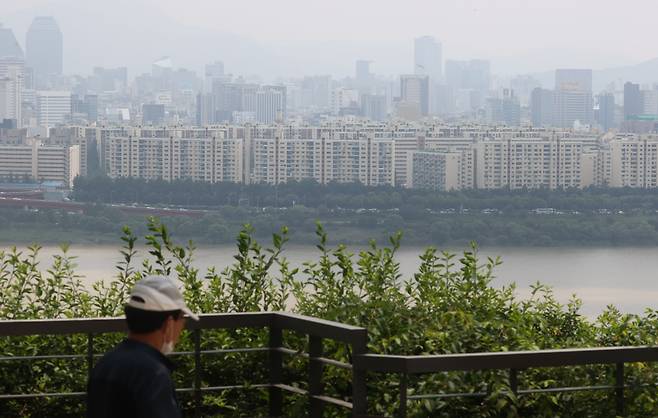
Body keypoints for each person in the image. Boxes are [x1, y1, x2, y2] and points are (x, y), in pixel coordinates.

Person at [87, 275, 199, 418]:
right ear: (169, 323)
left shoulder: (105, 364)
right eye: (182, 318)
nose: (182, 327)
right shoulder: (153, 374)